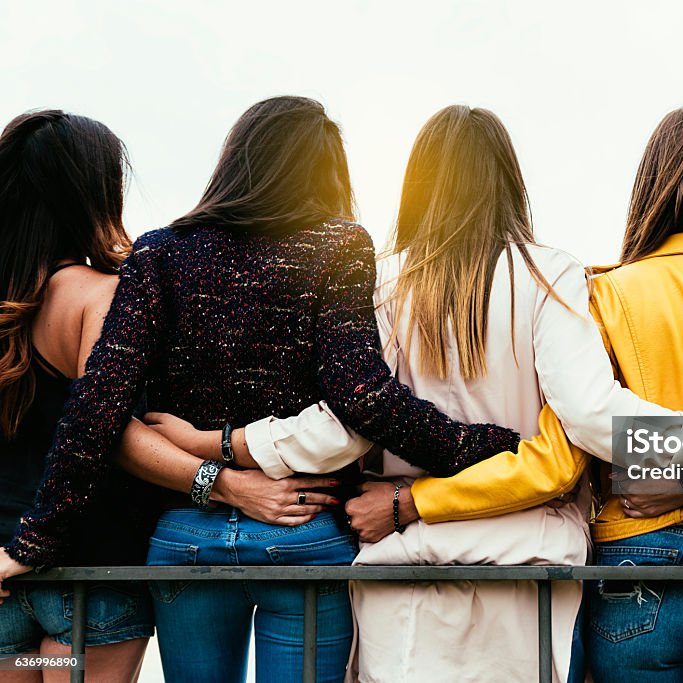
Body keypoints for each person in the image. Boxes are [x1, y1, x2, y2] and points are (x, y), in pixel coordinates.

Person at [144, 104, 683, 683]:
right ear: (509, 182)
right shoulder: (549, 275)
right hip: (527, 570)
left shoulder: (381, 281)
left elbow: (344, 424)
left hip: (399, 561)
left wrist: (220, 444)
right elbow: (590, 413)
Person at [0, 96, 525, 683]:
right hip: (299, 536)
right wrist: (491, 447)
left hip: (183, 542)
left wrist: (30, 541)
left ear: (233, 160)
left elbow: (98, 408)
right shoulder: (338, 245)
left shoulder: (159, 252)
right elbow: (362, 395)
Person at [0, 111, 152, 682]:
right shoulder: (100, 297)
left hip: (5, 588)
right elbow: (99, 431)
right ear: (93, 194)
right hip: (88, 588)